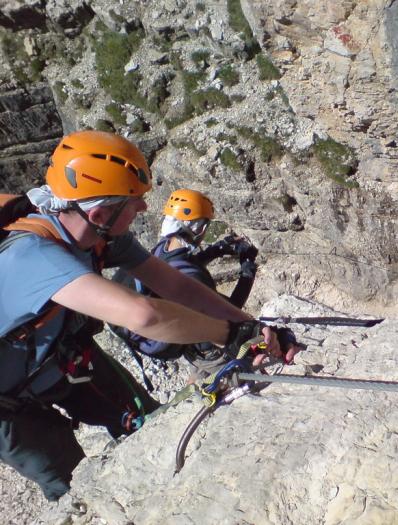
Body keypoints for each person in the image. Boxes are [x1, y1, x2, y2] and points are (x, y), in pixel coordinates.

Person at [0, 130, 291, 501]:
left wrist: (252, 327)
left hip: (63, 359)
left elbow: (179, 288)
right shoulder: (33, 256)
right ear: (100, 212)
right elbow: (144, 315)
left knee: (148, 425)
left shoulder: (100, 234)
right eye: (134, 202)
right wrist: (228, 334)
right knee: (73, 486)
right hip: (8, 405)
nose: (144, 209)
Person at [111, 188, 263, 380]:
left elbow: (180, 262)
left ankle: (194, 392)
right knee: (242, 378)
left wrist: (217, 249)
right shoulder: (195, 275)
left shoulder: (160, 250)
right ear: (199, 228)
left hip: (187, 340)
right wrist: (247, 268)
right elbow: (230, 311)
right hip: (210, 349)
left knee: (200, 380)